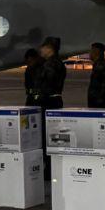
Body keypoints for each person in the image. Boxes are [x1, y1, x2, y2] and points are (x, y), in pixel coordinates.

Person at [33, 36, 66, 178]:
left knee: (48, 135)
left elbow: (46, 84)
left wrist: (38, 97)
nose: (41, 50)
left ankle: (50, 168)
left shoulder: (50, 64)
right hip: (54, 101)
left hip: (48, 102)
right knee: (52, 135)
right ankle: (51, 166)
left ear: (49, 48)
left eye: (43, 47)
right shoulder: (57, 63)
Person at [86, 41, 105, 109]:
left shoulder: (102, 66)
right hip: (98, 104)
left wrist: (100, 99)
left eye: (91, 51)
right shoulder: (98, 65)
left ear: (96, 52)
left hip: (101, 105)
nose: (89, 53)